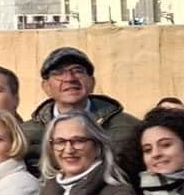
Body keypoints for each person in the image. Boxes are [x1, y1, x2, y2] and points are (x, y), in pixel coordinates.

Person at [27, 47, 141, 176]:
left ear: (92, 82)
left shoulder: (129, 128)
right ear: (46, 86)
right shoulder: (25, 135)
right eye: (58, 73)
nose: (70, 78)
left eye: (78, 71)